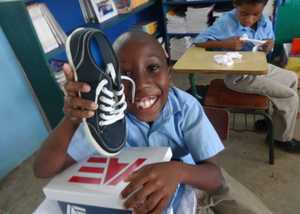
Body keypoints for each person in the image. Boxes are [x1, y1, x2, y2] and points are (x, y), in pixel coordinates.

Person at [34, 31, 225, 214]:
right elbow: (44, 169)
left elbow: (215, 177)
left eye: (153, 68)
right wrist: (73, 119)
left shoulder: (185, 107)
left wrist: (178, 172)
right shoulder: (105, 117)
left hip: (187, 185)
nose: (141, 84)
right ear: (112, 82)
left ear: (169, 72)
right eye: (125, 74)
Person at [194, 0, 300, 153]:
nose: (249, 19)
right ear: (235, 5)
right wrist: (225, 44)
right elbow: (199, 42)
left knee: (291, 78)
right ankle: (281, 139)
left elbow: (269, 42)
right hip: (239, 77)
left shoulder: (265, 22)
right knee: (290, 96)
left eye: (255, 14)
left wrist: (269, 45)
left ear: (263, 9)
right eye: (244, 13)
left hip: (259, 69)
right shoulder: (226, 22)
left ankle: (271, 123)